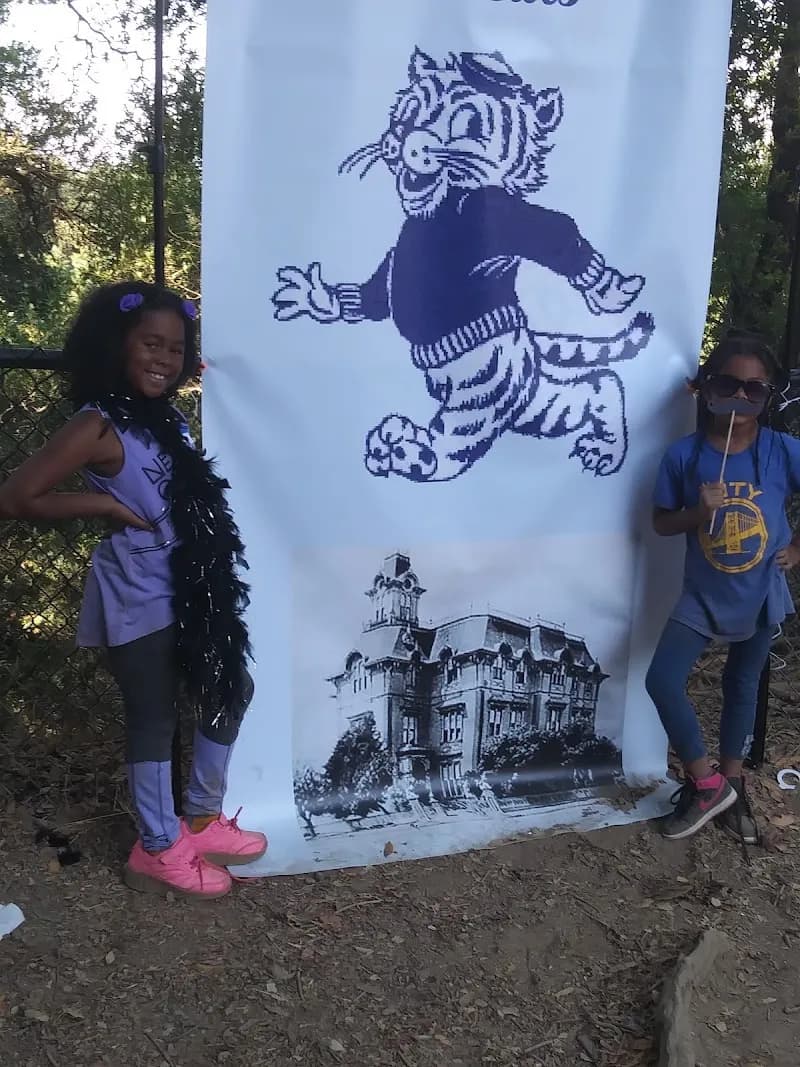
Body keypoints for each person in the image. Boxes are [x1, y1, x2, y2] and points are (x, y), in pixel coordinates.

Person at [0, 282, 266, 899]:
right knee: (153, 718)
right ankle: (156, 847)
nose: (164, 359)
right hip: (139, 594)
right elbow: (15, 497)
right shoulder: (97, 424)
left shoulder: (166, 418)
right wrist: (103, 505)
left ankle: (200, 819)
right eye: (151, 343)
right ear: (117, 343)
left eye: (175, 348)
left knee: (230, 686)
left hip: (192, 590)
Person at [645, 330, 800, 847]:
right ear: (705, 387)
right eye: (728, 385)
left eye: (754, 389)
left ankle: (733, 784)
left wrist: (797, 550)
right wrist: (697, 513)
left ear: (768, 395)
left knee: (742, 685)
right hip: (702, 595)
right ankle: (707, 783)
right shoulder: (684, 456)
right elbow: (661, 522)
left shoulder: (781, 451)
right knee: (662, 680)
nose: (740, 397)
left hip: (761, 592)